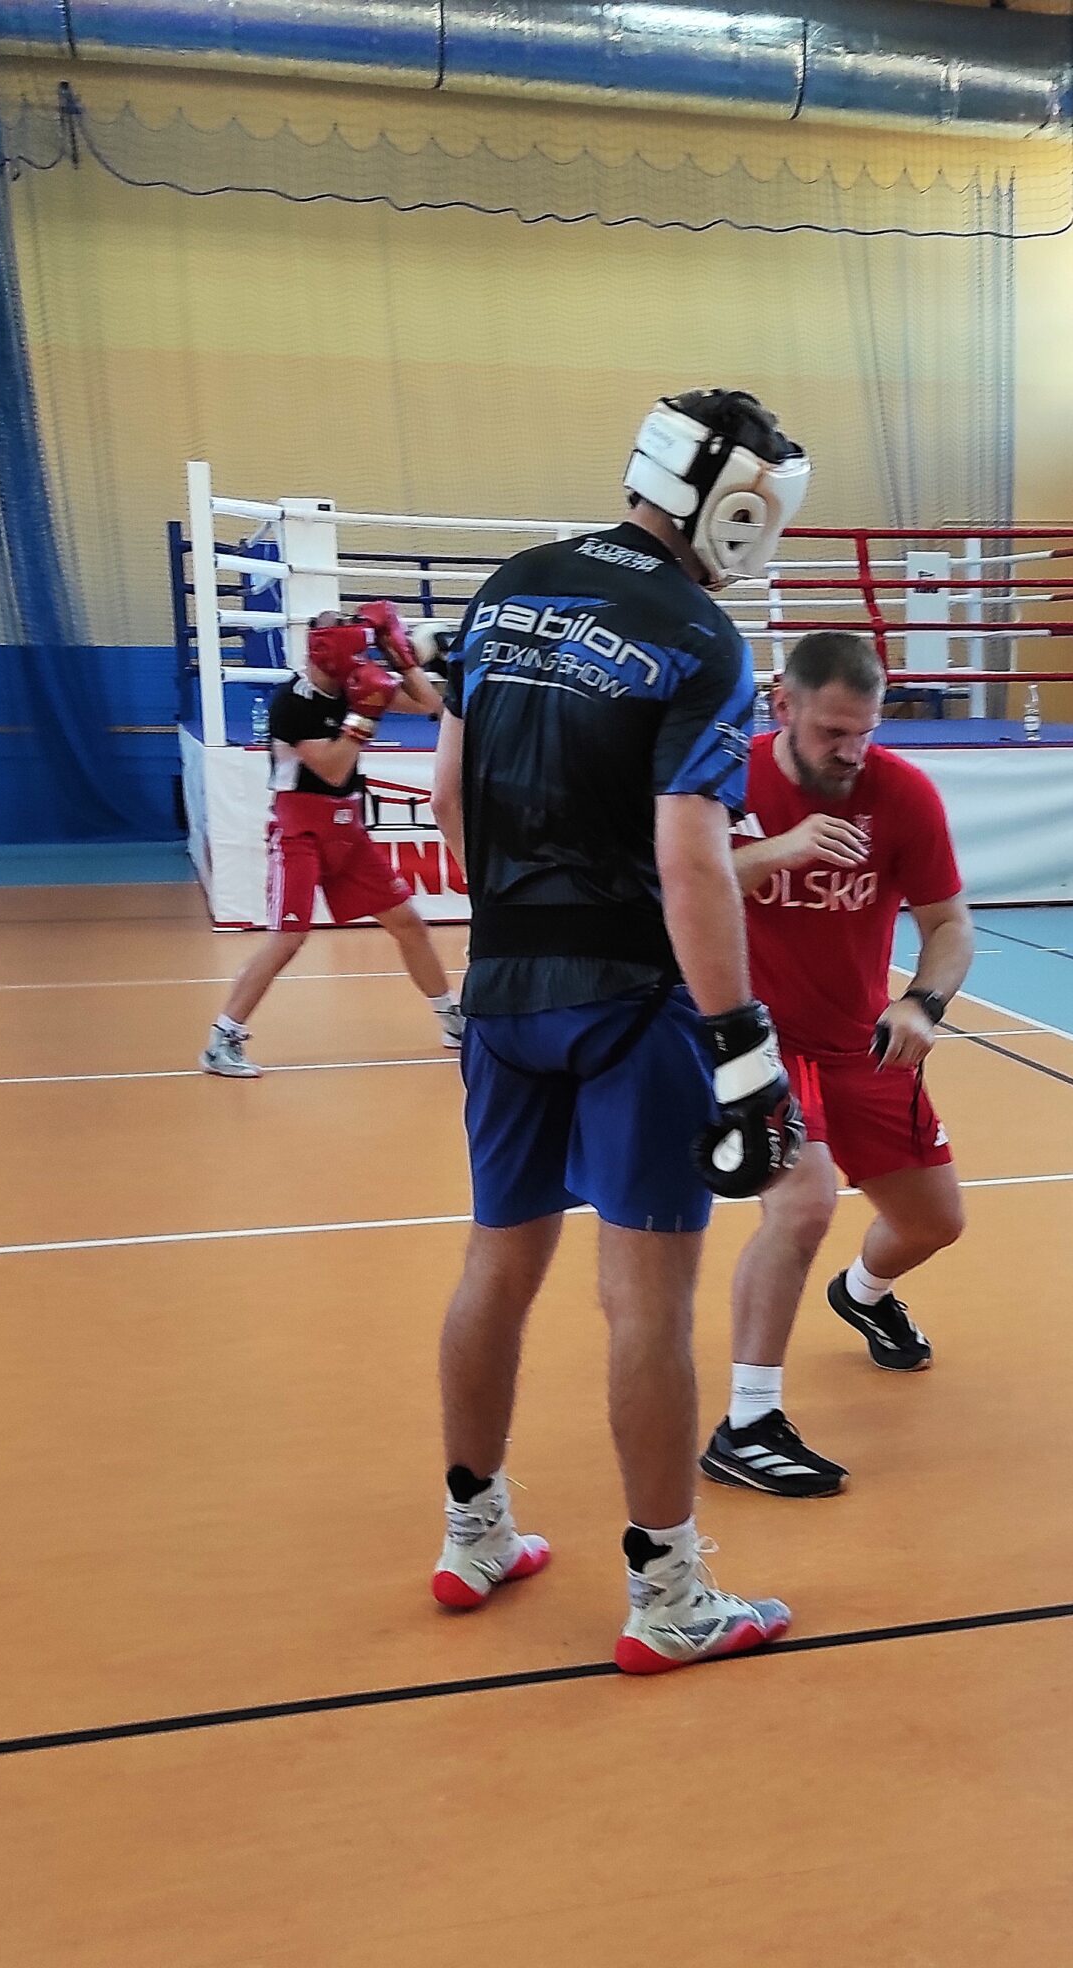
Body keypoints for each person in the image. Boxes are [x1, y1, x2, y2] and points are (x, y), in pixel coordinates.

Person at [427, 388, 812, 1675]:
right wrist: (743, 1044)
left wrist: (515, 927)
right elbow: (691, 858)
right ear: (731, 503)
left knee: (496, 1266)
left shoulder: (506, 589)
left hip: (503, 986)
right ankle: (669, 1597)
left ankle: (473, 1535)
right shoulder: (698, 636)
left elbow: (448, 789)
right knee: (645, 1297)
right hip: (633, 1000)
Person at [702, 628, 975, 1498]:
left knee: (935, 1223)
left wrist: (922, 1001)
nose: (851, 751)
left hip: (861, 1039)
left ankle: (862, 1293)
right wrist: (784, 848)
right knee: (804, 1204)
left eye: (865, 731)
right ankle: (747, 1424)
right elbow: (678, 882)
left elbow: (950, 925)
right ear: (782, 705)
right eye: (832, 733)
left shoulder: (902, 794)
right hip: (759, 1041)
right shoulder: (729, 777)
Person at [201, 600, 459, 1077]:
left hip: (347, 829)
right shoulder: (293, 702)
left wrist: (402, 658)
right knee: (289, 937)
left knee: (407, 923)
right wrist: (364, 715)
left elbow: (430, 705)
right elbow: (335, 769)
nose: (360, 653)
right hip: (299, 829)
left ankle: (451, 1018)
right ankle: (223, 1038)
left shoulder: (354, 681)